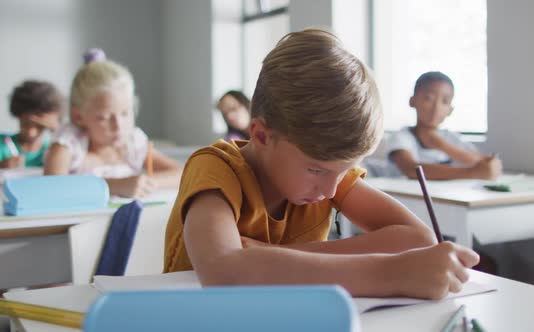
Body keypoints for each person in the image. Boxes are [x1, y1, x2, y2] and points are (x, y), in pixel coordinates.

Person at [164, 29, 479, 299]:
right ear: (261, 135)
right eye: (316, 169)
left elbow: (418, 239)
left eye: (342, 171)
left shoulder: (326, 172)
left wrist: (276, 256)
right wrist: (389, 273)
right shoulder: (216, 169)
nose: (330, 189)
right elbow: (224, 273)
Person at [44, 48, 182, 198]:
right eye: (104, 117)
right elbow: (52, 189)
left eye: (125, 114)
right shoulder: (68, 144)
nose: (118, 126)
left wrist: (145, 182)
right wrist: (114, 186)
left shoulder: (133, 142)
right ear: (78, 116)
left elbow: (182, 174)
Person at [383, 71, 502, 180]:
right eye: (428, 98)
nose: (436, 108)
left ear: (450, 110)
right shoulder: (402, 137)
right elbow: (410, 169)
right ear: (412, 101)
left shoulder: (450, 137)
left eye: (445, 101)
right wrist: (471, 173)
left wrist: (441, 144)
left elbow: (479, 161)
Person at [0, 80, 63, 168]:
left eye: (40, 126)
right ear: (19, 116)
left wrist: (55, 129)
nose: (31, 132)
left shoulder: (53, 151)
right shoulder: (2, 143)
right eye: (25, 124)